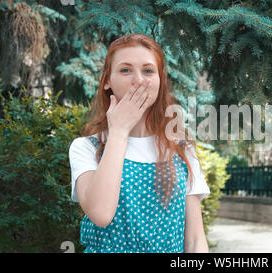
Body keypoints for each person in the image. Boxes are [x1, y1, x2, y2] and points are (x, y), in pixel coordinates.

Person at [68, 33, 210, 253]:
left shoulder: (182, 149)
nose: (139, 80)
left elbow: (194, 241)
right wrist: (119, 131)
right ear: (107, 81)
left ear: (160, 81)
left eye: (148, 70)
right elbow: (101, 214)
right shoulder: (86, 147)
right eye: (125, 70)